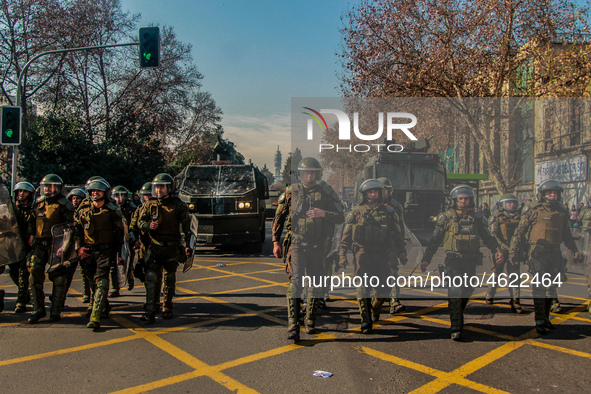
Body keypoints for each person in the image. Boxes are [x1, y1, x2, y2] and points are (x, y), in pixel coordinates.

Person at [420, 184, 503, 341]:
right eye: (460, 199)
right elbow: (434, 241)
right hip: (453, 260)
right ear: (454, 200)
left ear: (470, 200)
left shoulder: (477, 219)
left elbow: (489, 238)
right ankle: (456, 326)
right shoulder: (446, 218)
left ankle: (457, 312)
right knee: (456, 291)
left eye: (466, 199)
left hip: (471, 261)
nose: (463, 201)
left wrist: (497, 251)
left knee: (468, 290)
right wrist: (426, 260)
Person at [275, 157, 343, 341]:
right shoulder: (291, 192)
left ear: (317, 174)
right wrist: (275, 242)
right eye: (306, 172)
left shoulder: (327, 192)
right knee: (295, 282)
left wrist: (323, 213)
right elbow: (279, 218)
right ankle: (292, 324)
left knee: (315, 284)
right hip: (296, 244)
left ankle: (310, 321)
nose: (309, 175)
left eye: (312, 172)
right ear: (301, 174)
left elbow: (341, 216)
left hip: (318, 245)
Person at [510, 180, 583, 334]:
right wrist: (513, 252)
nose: (553, 195)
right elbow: (520, 232)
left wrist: (575, 251)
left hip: (555, 253)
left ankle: (547, 317)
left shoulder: (561, 212)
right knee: (539, 288)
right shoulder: (533, 209)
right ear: (542, 194)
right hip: (538, 253)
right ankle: (539, 320)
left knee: (551, 287)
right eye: (550, 193)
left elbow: (567, 235)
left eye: (555, 193)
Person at [339, 179, 405, 333]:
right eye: (370, 192)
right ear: (365, 194)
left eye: (376, 191)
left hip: (383, 254)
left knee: (385, 289)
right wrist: (342, 254)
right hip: (363, 253)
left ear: (381, 193)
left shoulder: (390, 213)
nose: (373, 194)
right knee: (362, 288)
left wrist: (402, 251)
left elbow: (398, 235)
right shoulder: (355, 212)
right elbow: (346, 236)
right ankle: (365, 320)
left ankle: (375, 307)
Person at [137, 174, 192, 322]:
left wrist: (188, 247)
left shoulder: (178, 205)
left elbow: (188, 229)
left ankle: (167, 306)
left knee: (168, 278)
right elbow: (139, 223)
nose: (159, 190)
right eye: (157, 187)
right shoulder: (150, 204)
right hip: (154, 246)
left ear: (169, 187)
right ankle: (150, 310)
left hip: (171, 247)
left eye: (162, 187)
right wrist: (148, 226)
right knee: (151, 277)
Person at [75, 178, 124, 330]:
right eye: (92, 191)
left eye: (98, 190)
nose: (95, 193)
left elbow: (120, 234)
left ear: (106, 192)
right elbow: (76, 231)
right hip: (88, 251)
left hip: (105, 250)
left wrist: (120, 254)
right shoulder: (82, 210)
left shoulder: (112, 210)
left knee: (102, 282)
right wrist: (79, 248)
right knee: (92, 283)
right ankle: (104, 306)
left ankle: (95, 317)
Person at [27, 174, 75, 324]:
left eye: (52, 186)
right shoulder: (38, 203)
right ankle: (38, 310)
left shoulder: (64, 205)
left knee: (59, 277)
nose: (48, 189)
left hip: (57, 245)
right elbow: (31, 221)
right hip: (39, 245)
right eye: (46, 186)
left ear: (59, 188)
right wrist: (31, 234)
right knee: (34, 275)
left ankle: (55, 311)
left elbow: (70, 227)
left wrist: (65, 246)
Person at [372, 177, 408, 318]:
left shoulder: (396, 206)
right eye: (383, 189)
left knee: (392, 272)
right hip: (374, 246)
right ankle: (375, 302)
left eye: (387, 189)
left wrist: (402, 249)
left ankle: (394, 301)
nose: (385, 192)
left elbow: (401, 228)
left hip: (391, 245)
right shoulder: (371, 203)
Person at [485, 194, 524, 313]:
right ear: (503, 204)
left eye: (513, 202)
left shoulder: (520, 217)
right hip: (499, 250)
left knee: (514, 276)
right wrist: (503, 247)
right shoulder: (497, 216)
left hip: (514, 251)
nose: (511, 205)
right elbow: (493, 235)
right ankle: (490, 293)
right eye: (509, 202)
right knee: (497, 273)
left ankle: (515, 300)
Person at [11, 181, 35, 313]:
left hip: (28, 245)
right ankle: (25, 294)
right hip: (13, 245)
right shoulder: (11, 208)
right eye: (19, 191)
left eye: (25, 191)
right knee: (14, 272)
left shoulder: (34, 208)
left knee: (24, 273)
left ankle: (21, 302)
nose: (21, 194)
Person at [109, 186, 137, 295]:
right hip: (114, 239)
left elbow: (134, 225)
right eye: (117, 195)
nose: (119, 198)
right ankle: (115, 288)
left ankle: (129, 277)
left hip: (127, 238)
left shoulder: (131, 208)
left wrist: (134, 239)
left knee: (128, 262)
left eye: (122, 195)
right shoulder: (111, 208)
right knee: (112, 264)